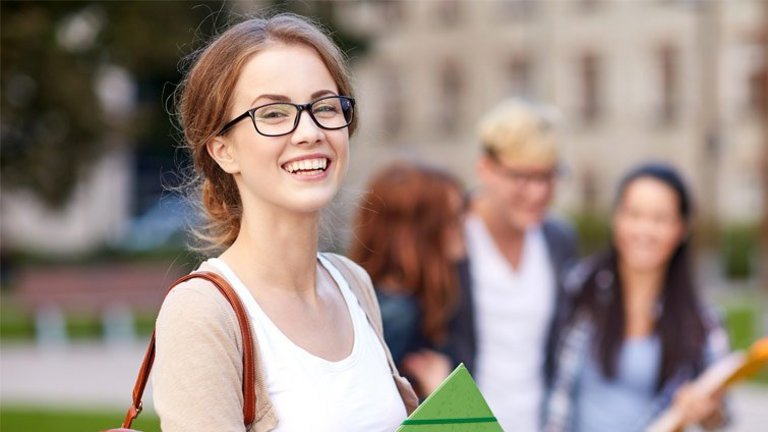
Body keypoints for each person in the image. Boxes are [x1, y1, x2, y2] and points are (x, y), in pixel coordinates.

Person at [152, 14, 417, 432]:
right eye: (273, 114)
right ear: (223, 150)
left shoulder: (354, 284)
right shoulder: (203, 312)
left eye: (326, 106)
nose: (310, 131)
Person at [543, 163, 730, 432]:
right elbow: (553, 391)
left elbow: (722, 418)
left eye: (660, 219)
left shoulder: (701, 322)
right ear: (616, 218)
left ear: (682, 228)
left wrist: (707, 411)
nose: (644, 231)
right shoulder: (577, 292)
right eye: (633, 214)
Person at [447, 99, 579, 431]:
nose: (537, 193)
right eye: (522, 177)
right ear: (485, 169)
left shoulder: (558, 239)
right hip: (463, 425)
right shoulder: (450, 236)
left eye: (548, 177)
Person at [349, 161, 467, 398]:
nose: (463, 227)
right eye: (452, 218)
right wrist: (443, 394)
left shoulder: (391, 300)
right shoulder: (396, 314)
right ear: (415, 232)